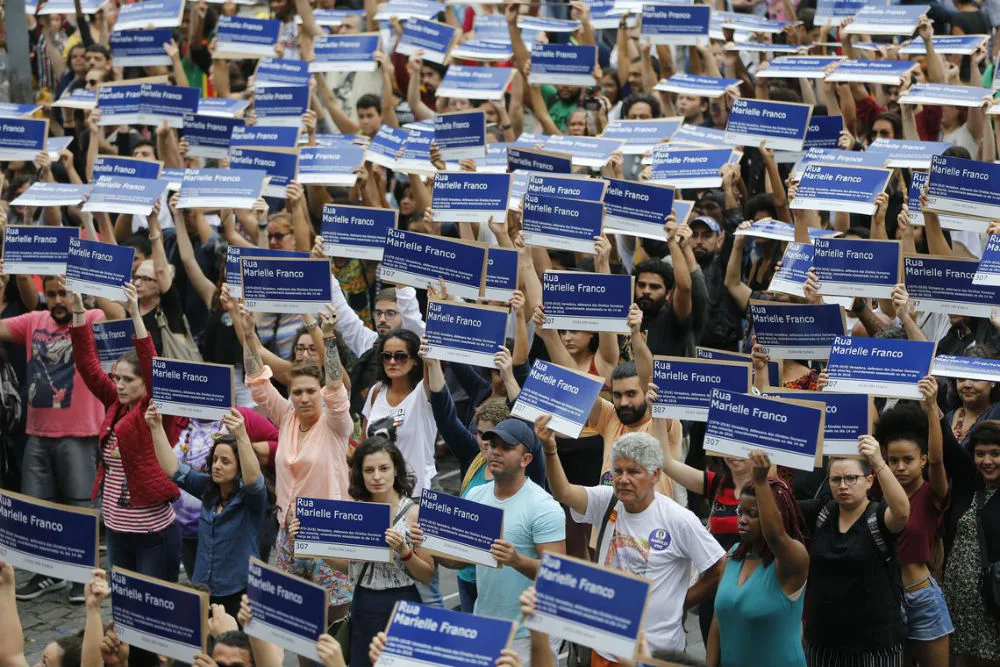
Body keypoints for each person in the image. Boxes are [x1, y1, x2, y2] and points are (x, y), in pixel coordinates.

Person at [538, 415, 726, 664]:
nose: (623, 479)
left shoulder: (678, 519)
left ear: (655, 474)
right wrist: (551, 451)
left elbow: (718, 567)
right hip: (605, 649)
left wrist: (681, 601)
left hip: (656, 653)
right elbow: (563, 491)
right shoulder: (606, 500)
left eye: (633, 471)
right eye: (618, 471)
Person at [0, 274, 122, 603]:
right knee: (37, 507)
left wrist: (89, 289)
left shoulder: (91, 319)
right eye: (51, 294)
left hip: (80, 433)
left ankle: (83, 575)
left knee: (79, 506)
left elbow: (119, 317)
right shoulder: (34, 320)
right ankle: (46, 574)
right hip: (38, 433)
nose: (57, 301)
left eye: (64, 294)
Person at [242, 305, 354, 621]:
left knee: (333, 627)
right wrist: (248, 334)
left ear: (320, 394)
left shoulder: (336, 424)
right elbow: (257, 382)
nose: (303, 398)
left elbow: (336, 385)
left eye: (309, 392)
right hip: (287, 535)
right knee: (299, 627)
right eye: (296, 392)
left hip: (328, 536)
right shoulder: (287, 416)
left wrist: (328, 338)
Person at [69, 283, 181, 583]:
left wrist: (134, 314)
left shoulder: (155, 411)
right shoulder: (115, 404)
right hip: (117, 533)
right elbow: (87, 366)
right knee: (124, 610)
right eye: (116, 378)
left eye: (128, 379)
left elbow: (151, 365)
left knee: (153, 612)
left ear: (146, 384)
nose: (118, 384)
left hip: (152, 535)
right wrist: (79, 311)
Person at [289, 436, 434, 667]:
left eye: (384, 468)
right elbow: (351, 567)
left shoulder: (414, 513)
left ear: (396, 469)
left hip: (402, 603)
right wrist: (316, 545)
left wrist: (404, 551)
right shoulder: (354, 511)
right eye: (369, 470)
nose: (377, 476)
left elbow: (427, 574)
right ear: (360, 474)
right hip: (364, 602)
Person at [435, 416, 566, 665]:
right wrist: (430, 545)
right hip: (486, 625)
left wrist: (517, 560)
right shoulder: (475, 495)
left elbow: (557, 577)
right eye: (492, 445)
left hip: (530, 633)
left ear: (526, 459)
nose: (495, 451)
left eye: (505, 447)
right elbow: (460, 561)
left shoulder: (543, 507)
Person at [800, 436, 912, 667]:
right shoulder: (822, 512)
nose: (843, 486)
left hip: (875, 648)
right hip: (823, 643)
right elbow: (778, 506)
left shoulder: (879, 516)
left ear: (869, 480)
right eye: (836, 479)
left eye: (852, 478)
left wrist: (878, 461)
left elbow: (901, 512)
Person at [148, 404, 267, 620]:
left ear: (239, 467)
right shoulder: (207, 488)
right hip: (204, 588)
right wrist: (156, 427)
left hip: (239, 590)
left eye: (226, 462)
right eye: (214, 460)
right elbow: (173, 470)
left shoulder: (251, 500)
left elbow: (253, 481)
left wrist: (241, 435)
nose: (217, 466)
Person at [874, 379, 953, 667]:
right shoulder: (878, 492)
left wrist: (931, 407)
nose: (900, 467)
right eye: (893, 460)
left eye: (908, 459)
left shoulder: (933, 493)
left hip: (922, 598)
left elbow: (938, 461)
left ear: (921, 460)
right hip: (885, 600)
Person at [707, 450, 809, 667]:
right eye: (740, 512)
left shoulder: (793, 559)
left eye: (753, 514)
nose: (742, 520)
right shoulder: (734, 554)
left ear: (777, 516)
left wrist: (761, 481)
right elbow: (719, 620)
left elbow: (776, 537)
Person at [942, 420, 1000, 665]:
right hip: (957, 599)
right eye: (980, 454)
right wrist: (932, 406)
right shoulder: (968, 486)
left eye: (996, 454)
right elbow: (945, 445)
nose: (987, 461)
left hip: (993, 600)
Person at [362, 328, 437, 495]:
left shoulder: (423, 392)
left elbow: (433, 368)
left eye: (401, 356)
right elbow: (364, 445)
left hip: (417, 492)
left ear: (416, 360)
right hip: (379, 490)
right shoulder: (376, 391)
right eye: (386, 356)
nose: (392, 361)